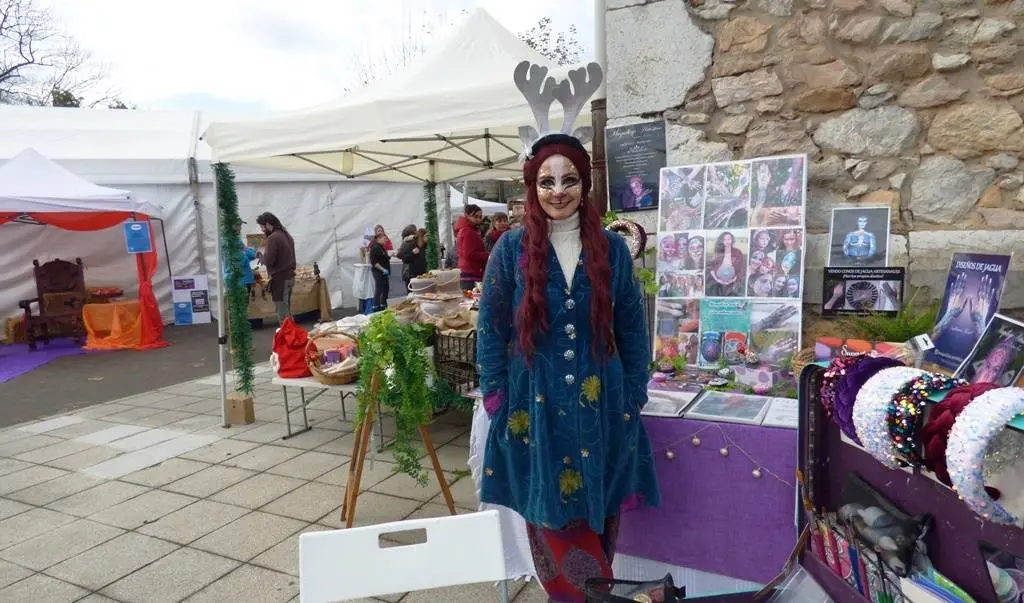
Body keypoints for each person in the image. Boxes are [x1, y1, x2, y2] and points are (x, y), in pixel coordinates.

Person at [476, 131, 660, 599]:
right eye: (546, 182)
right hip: (533, 405)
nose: (558, 192)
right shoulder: (510, 250)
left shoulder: (613, 251)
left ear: (586, 184)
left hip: (602, 403)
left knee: (597, 508)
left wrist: (635, 389)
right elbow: (491, 326)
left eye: (570, 180)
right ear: (532, 187)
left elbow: (633, 328)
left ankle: (597, 592)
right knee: (548, 510)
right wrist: (496, 393)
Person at [256, 212, 296, 324]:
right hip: (289, 277)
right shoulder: (287, 235)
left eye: (262, 227)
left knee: (283, 314)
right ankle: (292, 337)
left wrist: (260, 256)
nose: (262, 230)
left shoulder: (273, 238)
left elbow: (269, 260)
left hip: (280, 279)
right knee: (287, 311)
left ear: (268, 224)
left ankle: (288, 339)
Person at [455, 204, 488, 291]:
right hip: (471, 273)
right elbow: (469, 254)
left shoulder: (465, 229)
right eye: (475, 216)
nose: (478, 219)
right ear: (467, 215)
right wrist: (488, 255)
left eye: (480, 217)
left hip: (467, 272)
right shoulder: (468, 231)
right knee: (472, 301)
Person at [368, 231, 391, 311]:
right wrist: (383, 269)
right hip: (378, 272)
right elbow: (375, 262)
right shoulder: (375, 247)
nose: (386, 240)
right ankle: (376, 307)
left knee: (385, 289)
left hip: (383, 272)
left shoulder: (381, 247)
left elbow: (384, 258)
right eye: (384, 238)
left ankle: (383, 305)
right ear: (378, 239)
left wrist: (390, 255)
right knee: (379, 289)